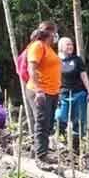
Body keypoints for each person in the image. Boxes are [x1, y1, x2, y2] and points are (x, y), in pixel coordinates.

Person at [26, 21, 62, 160]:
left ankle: (37, 151)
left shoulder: (49, 48)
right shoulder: (38, 46)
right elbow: (31, 68)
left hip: (52, 92)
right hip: (40, 91)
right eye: (55, 32)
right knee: (42, 123)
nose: (56, 36)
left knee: (48, 124)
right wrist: (38, 90)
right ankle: (41, 156)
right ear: (51, 33)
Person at [55, 37, 89, 154]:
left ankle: (76, 146)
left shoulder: (77, 60)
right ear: (60, 47)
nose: (70, 47)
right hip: (63, 94)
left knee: (79, 119)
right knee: (60, 117)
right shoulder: (55, 60)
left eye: (71, 44)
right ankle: (60, 139)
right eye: (67, 45)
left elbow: (84, 76)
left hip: (79, 93)